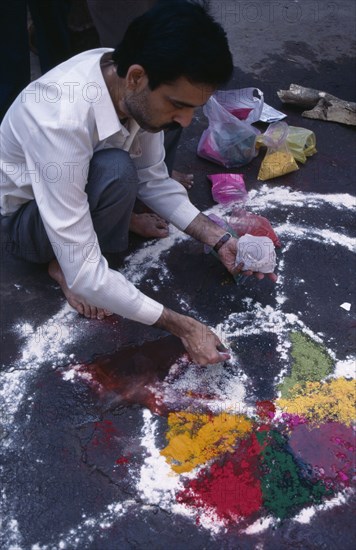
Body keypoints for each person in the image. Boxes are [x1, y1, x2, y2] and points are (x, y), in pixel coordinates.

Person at [0, 1, 277, 365]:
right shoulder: (60, 120)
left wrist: (219, 238)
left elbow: (153, 179)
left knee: (123, 170)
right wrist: (184, 327)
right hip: (28, 221)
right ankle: (57, 262)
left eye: (194, 108)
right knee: (115, 171)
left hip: (78, 182)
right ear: (136, 77)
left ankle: (111, 221)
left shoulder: (127, 86)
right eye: (178, 104)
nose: (185, 120)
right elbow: (87, 273)